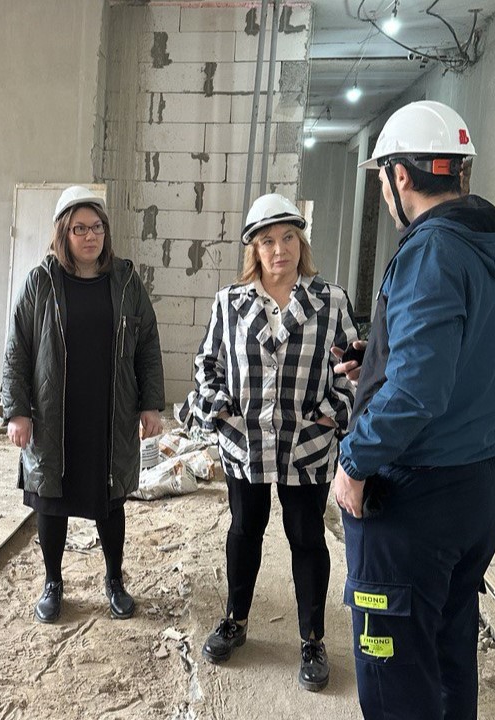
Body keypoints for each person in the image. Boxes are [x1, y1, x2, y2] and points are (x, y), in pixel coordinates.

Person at [332, 100, 495, 719]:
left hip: (417, 499)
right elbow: (466, 350)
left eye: (383, 180)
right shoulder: (491, 243)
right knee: (445, 656)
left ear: (400, 176)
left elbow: (418, 390)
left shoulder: (431, 249)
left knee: (394, 677)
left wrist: (354, 461)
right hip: (478, 484)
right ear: (459, 171)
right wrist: (377, 357)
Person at [185, 193, 358, 692]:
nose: (279, 250)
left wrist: (332, 413)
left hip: (307, 444)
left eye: (287, 238)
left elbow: (353, 369)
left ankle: (312, 639)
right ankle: (235, 620)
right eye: (267, 241)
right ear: (254, 249)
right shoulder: (230, 303)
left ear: (300, 243)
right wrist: (219, 407)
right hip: (247, 444)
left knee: (306, 537)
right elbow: (207, 364)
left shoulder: (330, 301)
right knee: (245, 529)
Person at [1, 185, 165, 624]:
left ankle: (114, 580)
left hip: (108, 411)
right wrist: (18, 411)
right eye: (79, 228)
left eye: (97, 227)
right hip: (54, 412)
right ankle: (53, 583)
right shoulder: (41, 282)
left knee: (110, 500)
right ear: (63, 233)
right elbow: (17, 348)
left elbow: (147, 345)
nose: (90, 236)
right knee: (50, 500)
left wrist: (150, 404)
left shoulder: (125, 281)